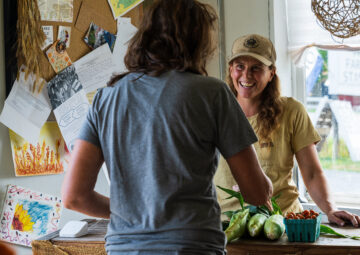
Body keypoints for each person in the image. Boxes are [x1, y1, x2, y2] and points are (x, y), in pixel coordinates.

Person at [61, 1, 273, 254]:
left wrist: (135, 214)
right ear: (198, 42)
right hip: (192, 247)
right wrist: (267, 185)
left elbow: (74, 196)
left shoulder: (106, 98)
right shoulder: (212, 92)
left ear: (147, 36)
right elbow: (256, 194)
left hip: (125, 249)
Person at [214, 34, 360, 228]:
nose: (246, 75)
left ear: (271, 73)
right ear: (230, 70)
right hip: (228, 225)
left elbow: (311, 172)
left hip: (282, 224)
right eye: (240, 67)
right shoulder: (214, 112)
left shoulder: (291, 111)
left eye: (256, 68)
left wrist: (330, 209)